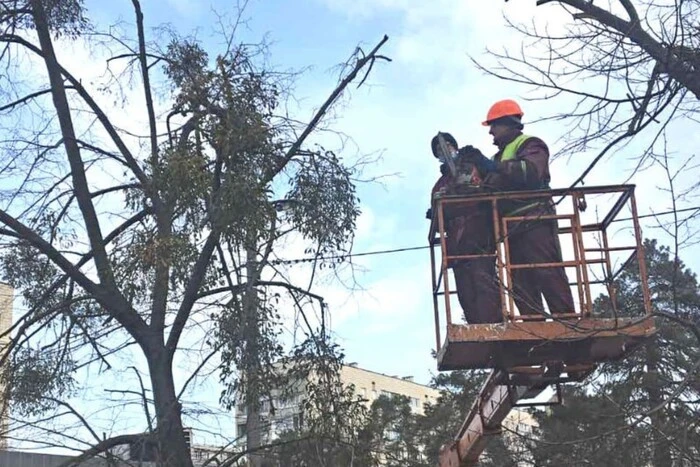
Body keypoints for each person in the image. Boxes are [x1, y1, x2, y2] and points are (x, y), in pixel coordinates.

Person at [460, 100, 575, 317]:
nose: (491, 132)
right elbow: (489, 190)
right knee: (520, 283)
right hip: (510, 228)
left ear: (509, 123)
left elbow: (529, 173)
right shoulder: (497, 158)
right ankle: (535, 330)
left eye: (494, 125)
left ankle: (568, 322)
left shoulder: (531, 144)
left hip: (534, 220)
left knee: (547, 272)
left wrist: (490, 166)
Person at [428, 132, 501, 324]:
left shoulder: (472, 166)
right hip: (457, 247)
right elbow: (437, 222)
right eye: (439, 150)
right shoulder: (439, 186)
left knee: (484, 284)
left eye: (448, 146)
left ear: (455, 146)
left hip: (479, 237)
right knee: (466, 293)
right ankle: (477, 330)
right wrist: (435, 211)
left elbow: (490, 186)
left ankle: (494, 328)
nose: (444, 151)